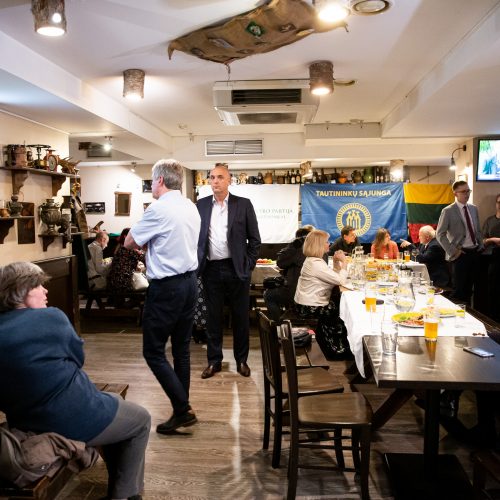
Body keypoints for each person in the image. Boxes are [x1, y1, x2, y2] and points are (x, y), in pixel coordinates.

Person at [0, 262, 150, 500]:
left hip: (26, 421)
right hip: (73, 416)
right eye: (39, 285)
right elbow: (78, 357)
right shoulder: (51, 318)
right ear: (23, 289)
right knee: (141, 419)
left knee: (113, 403)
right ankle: (124, 495)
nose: (46, 291)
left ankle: (122, 486)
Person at [124, 159, 201, 435]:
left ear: (159, 181)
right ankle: (182, 410)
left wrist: (147, 246)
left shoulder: (158, 208)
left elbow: (129, 242)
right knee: (181, 349)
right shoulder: (190, 206)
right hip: (190, 284)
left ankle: (182, 409)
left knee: (153, 350)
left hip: (167, 288)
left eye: (151, 181)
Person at [197, 163, 261, 379]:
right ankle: (214, 361)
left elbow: (255, 239)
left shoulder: (243, 205)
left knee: (240, 318)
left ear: (229, 180)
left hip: (237, 269)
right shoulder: (201, 206)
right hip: (211, 269)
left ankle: (241, 361)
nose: (215, 181)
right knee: (212, 318)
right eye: (212, 177)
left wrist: (248, 263)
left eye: (220, 177)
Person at [294, 229, 350, 360]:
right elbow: (340, 280)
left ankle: (334, 345)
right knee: (342, 312)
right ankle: (337, 349)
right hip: (309, 306)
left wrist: (336, 262)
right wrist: (345, 262)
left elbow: (333, 277)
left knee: (339, 304)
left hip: (306, 302)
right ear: (318, 245)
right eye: (326, 242)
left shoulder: (314, 261)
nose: (329, 244)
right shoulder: (315, 264)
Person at [436, 180, 483, 304]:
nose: (467, 194)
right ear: (455, 193)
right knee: (459, 291)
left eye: (468, 191)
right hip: (460, 254)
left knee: (471, 289)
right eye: (463, 192)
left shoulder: (473, 208)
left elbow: (477, 229)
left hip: (475, 251)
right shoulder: (448, 210)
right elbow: (439, 234)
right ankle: (457, 319)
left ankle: (470, 318)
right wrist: (453, 251)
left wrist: (481, 245)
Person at [263, 225, 314, 321]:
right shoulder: (321, 252)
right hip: (314, 294)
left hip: (297, 293)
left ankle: (277, 325)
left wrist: (292, 247)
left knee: (268, 295)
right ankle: (289, 313)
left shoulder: (297, 250)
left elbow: (280, 262)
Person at [107, 228, 148, 293]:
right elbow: (146, 260)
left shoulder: (119, 246)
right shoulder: (129, 248)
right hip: (123, 283)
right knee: (146, 284)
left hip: (113, 281)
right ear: (126, 236)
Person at [482, 193, 500, 321]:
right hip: (491, 259)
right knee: (492, 290)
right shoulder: (489, 221)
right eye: (499, 202)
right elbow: (481, 240)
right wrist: (491, 240)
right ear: (496, 203)